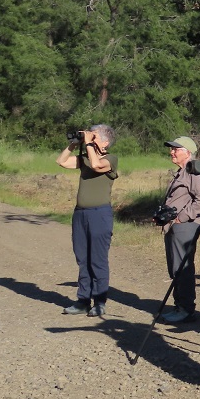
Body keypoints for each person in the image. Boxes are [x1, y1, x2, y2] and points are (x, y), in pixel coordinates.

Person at [56, 124, 118, 317]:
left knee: (97, 260)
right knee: (82, 259)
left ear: (105, 142)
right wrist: (74, 144)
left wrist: (89, 144)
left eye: (95, 136)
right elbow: (61, 162)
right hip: (80, 214)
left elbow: (97, 165)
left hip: (99, 214)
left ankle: (99, 302)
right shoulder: (85, 159)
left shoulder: (111, 159)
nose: (90, 138)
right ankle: (83, 300)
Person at [157, 136, 200, 324]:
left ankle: (185, 309)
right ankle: (180, 306)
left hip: (185, 226)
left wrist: (181, 218)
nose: (172, 152)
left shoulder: (194, 171)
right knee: (175, 266)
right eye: (172, 149)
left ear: (187, 152)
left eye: (176, 149)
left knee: (182, 268)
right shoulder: (182, 171)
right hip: (176, 226)